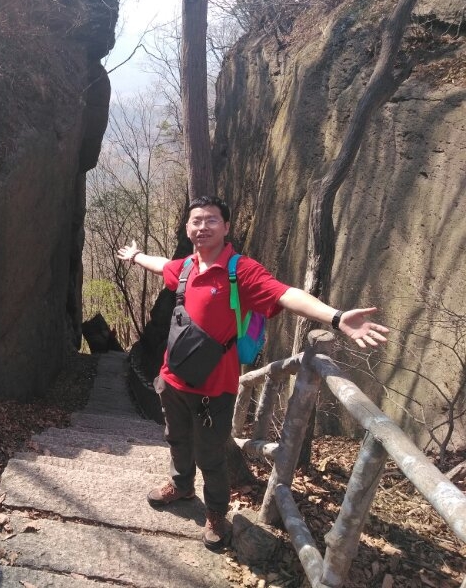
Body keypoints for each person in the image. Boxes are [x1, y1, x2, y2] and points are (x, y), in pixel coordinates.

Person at [116, 195, 388, 551]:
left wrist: (336, 317)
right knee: (176, 439)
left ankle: (215, 513)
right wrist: (135, 257)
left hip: (215, 388)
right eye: (196, 221)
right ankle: (181, 487)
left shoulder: (239, 270)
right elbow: (162, 263)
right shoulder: (184, 268)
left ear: (226, 227)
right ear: (187, 228)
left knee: (210, 455)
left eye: (211, 220)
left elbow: (285, 293)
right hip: (172, 378)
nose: (203, 227)